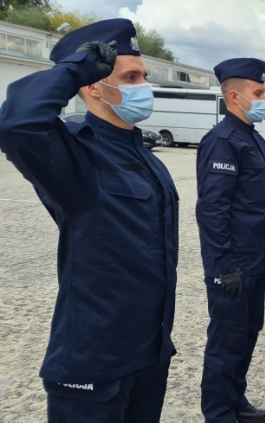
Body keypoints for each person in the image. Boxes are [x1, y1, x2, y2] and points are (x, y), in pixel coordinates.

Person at [0, 19, 178, 421]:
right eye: (130, 76)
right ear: (94, 86)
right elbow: (15, 124)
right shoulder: (77, 154)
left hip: (148, 353)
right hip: (94, 363)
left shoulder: (142, 153)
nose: (142, 85)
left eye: (143, 76)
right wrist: (74, 70)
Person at [196, 58, 265, 423]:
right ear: (234, 96)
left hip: (255, 260)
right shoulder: (223, 141)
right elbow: (213, 209)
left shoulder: (252, 138)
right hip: (233, 265)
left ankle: (235, 400)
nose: (264, 98)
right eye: (258, 93)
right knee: (226, 342)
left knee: (247, 335)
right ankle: (218, 413)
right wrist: (223, 266)